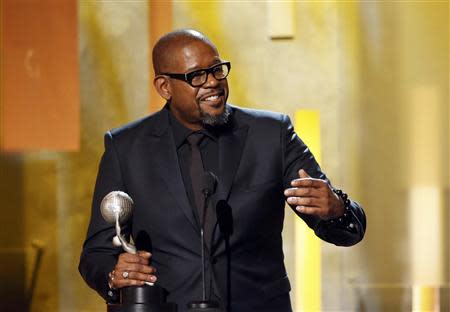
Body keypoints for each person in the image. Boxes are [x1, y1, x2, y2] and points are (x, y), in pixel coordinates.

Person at [79, 29, 366, 312]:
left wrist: (336, 209)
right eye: (197, 76)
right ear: (165, 87)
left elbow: (347, 230)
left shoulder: (271, 135)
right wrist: (115, 275)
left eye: (217, 70)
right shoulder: (127, 148)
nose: (213, 82)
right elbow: (96, 254)